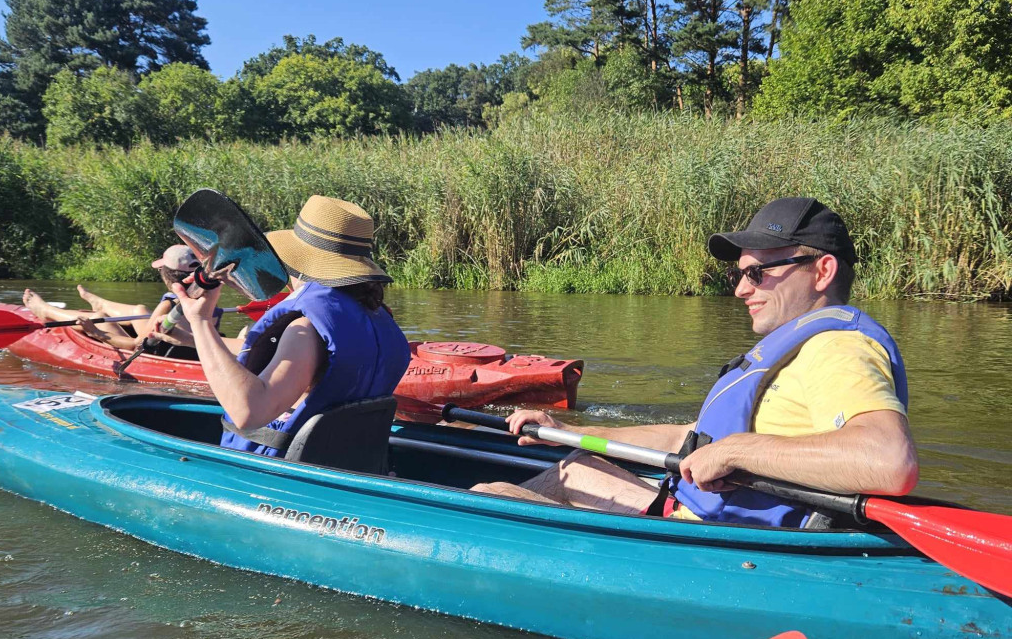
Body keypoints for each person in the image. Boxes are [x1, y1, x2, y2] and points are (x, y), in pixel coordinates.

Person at [473, 197, 918, 528]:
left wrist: (735, 450)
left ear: (822, 272)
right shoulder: (794, 352)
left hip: (722, 546)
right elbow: (691, 438)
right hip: (692, 511)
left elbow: (888, 459)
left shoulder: (838, 349)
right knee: (575, 465)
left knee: (485, 496)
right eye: (738, 275)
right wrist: (573, 432)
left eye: (758, 273)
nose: (742, 290)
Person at [166, 195, 411, 457]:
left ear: (298, 260)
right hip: (350, 465)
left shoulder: (304, 331)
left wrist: (201, 322)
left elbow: (248, 412)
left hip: (281, 475)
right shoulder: (377, 316)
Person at [21, 245, 212, 353]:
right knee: (139, 310)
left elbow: (136, 345)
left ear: (166, 275)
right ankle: (101, 302)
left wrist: (95, 332)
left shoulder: (167, 306)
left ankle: (44, 309)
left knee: (98, 318)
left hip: (164, 353)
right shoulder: (207, 296)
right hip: (184, 345)